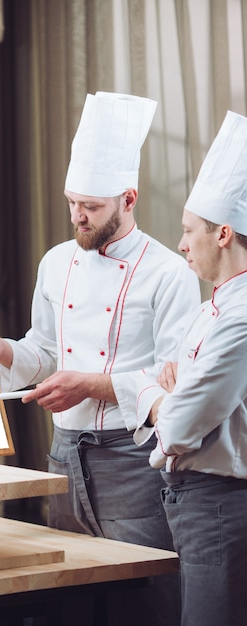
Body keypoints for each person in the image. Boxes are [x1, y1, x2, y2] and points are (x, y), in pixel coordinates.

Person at [0, 91, 200, 625]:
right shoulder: (56, 263)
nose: (78, 216)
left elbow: (175, 384)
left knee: (142, 600)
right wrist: (2, 349)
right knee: (66, 601)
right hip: (65, 455)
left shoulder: (170, 274)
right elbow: (47, 352)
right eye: (71, 202)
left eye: (92, 206)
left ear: (129, 197)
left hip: (132, 462)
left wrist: (90, 385)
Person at [135, 110, 247, 626]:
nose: (180, 243)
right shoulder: (211, 307)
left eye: (188, 230)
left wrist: (163, 402)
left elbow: (179, 423)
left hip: (220, 506)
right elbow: (162, 378)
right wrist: (168, 395)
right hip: (194, 502)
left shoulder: (241, 317)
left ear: (222, 234)